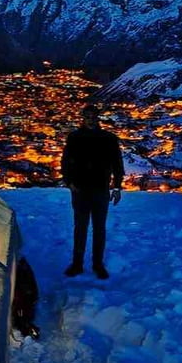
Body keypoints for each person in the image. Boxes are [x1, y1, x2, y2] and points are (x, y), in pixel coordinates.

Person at [60, 104, 124, 279]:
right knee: (80, 228)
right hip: (80, 188)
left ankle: (97, 264)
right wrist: (70, 182)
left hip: (100, 188)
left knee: (99, 229)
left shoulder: (109, 139)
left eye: (93, 117)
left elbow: (117, 164)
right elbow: (65, 162)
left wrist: (117, 186)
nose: (90, 120)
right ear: (83, 118)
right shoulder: (74, 138)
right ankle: (77, 264)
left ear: (98, 118)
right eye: (87, 117)